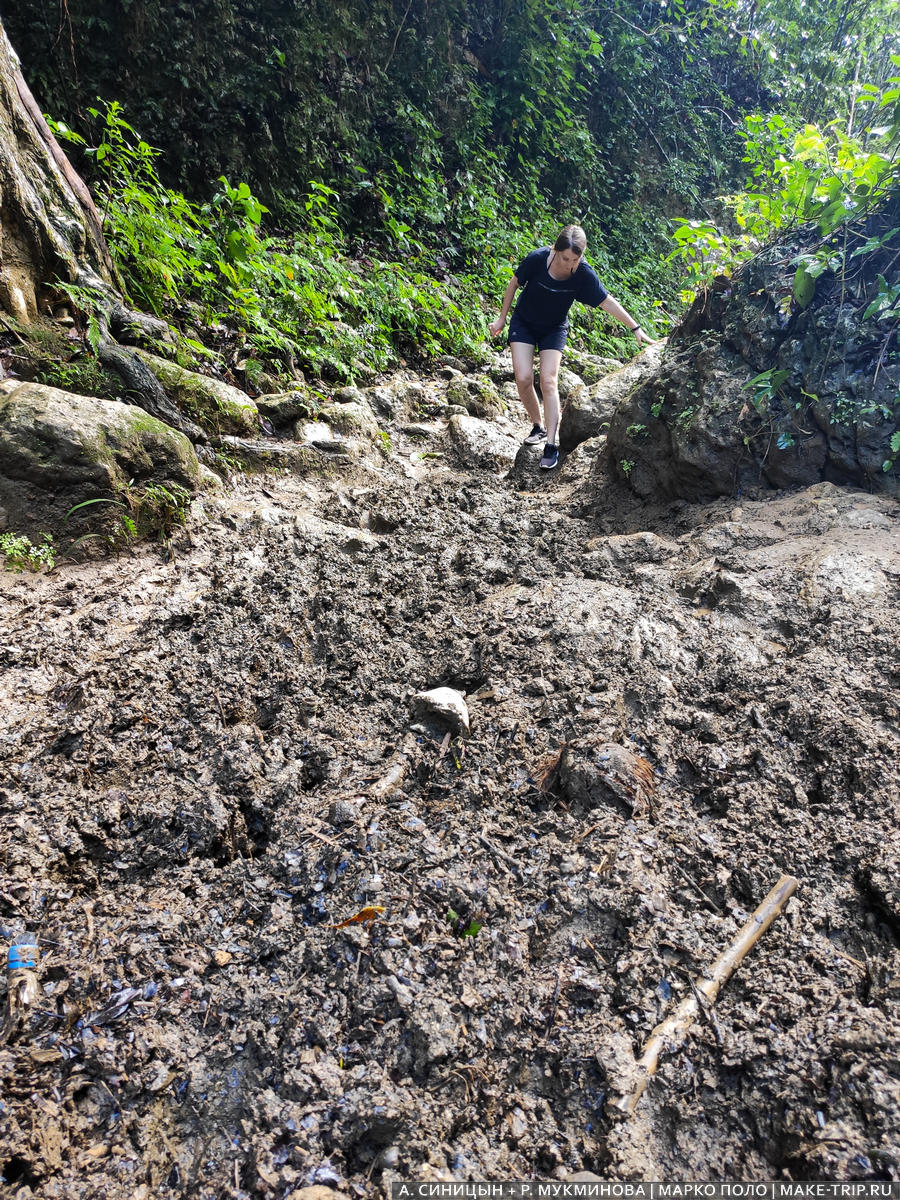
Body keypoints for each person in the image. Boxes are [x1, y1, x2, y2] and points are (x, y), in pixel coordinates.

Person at [488, 224, 654, 469]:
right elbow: (513, 283)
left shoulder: (583, 273)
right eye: (566, 258)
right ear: (555, 249)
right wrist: (501, 317)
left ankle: (551, 444)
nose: (570, 264)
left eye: (575, 259)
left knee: (549, 380)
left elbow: (606, 301)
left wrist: (635, 327)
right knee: (523, 378)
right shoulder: (537, 259)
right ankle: (537, 426)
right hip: (524, 322)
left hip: (554, 328)